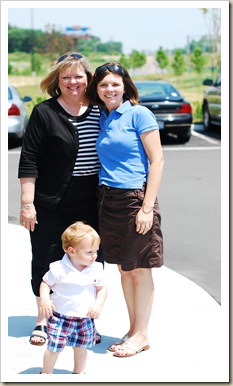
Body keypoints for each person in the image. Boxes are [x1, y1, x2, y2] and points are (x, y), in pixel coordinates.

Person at [18, 52, 103, 346]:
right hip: (51, 202)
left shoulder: (101, 109)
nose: (72, 82)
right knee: (46, 259)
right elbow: (29, 159)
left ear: (88, 78)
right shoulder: (44, 112)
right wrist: (27, 204)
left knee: (90, 263)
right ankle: (43, 321)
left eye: (79, 75)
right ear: (57, 80)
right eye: (66, 76)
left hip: (92, 202)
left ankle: (85, 322)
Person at [87, 62, 164, 357]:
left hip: (135, 198)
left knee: (140, 269)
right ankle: (133, 329)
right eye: (104, 84)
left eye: (115, 84)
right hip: (107, 199)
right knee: (124, 269)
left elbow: (156, 161)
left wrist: (146, 208)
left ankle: (142, 334)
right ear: (98, 89)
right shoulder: (104, 116)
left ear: (126, 86)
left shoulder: (139, 113)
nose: (110, 89)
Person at [38, 221, 107, 374]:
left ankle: (78, 373)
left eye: (96, 251)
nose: (94, 256)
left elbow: (102, 288)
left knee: (81, 348)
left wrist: (98, 305)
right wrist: (44, 298)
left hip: (85, 317)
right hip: (60, 317)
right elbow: (45, 283)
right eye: (89, 252)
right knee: (53, 348)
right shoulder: (58, 268)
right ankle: (46, 373)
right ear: (71, 251)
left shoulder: (96, 268)